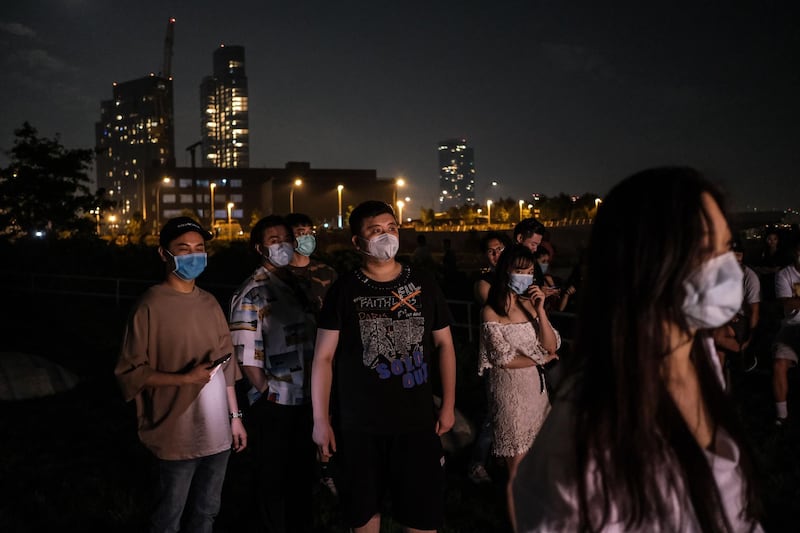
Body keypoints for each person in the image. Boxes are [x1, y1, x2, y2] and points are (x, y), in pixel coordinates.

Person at [511, 167, 762, 532]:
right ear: (645, 261)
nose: (729, 267)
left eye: (727, 247)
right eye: (708, 250)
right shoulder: (588, 439)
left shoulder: (699, 354)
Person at [311, 200, 457, 533]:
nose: (386, 236)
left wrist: (448, 406)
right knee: (363, 518)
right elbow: (323, 358)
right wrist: (321, 420)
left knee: (421, 519)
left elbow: (445, 344)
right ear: (357, 242)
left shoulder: (423, 283)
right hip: (358, 428)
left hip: (418, 425)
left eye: (391, 228)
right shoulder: (343, 290)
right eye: (375, 231)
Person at [115, 216, 247, 533]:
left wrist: (235, 416)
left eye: (199, 248)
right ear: (164, 254)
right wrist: (185, 379)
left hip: (218, 435)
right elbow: (131, 373)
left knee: (206, 514)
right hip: (175, 434)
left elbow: (226, 364)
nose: (194, 255)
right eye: (183, 249)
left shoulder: (210, 303)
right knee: (167, 518)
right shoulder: (149, 306)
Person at [229, 215, 317, 532]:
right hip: (276, 403)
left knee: (300, 479)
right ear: (259, 248)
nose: (281, 244)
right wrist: (268, 392)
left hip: (304, 398)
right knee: (273, 482)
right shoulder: (252, 293)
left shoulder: (294, 285)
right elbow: (245, 354)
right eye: (272, 240)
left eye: (285, 238)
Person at [478, 244, 560, 487]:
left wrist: (541, 311)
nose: (524, 277)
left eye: (529, 272)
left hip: (537, 392)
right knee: (517, 469)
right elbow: (501, 358)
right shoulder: (491, 311)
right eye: (519, 271)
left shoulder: (530, 305)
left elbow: (551, 346)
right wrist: (539, 359)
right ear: (506, 271)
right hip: (510, 394)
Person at [284, 212, 339, 495]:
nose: (305, 237)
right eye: (298, 232)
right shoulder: (278, 275)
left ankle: (325, 470)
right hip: (290, 362)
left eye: (308, 231)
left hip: (324, 355)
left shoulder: (327, 273)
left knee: (325, 413)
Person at [712, 238, 760, 382]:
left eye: (738, 255)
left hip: (743, 319)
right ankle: (721, 391)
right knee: (718, 354)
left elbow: (754, 310)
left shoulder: (749, 277)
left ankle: (745, 354)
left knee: (716, 337)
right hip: (726, 316)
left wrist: (751, 337)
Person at [772, 239, 800, 427]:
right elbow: (786, 303)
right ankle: (782, 416)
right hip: (791, 326)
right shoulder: (784, 274)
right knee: (779, 363)